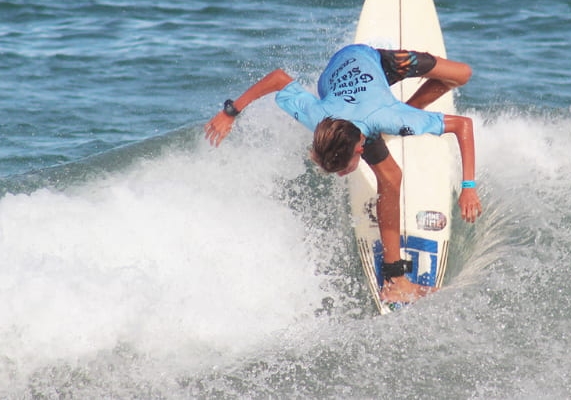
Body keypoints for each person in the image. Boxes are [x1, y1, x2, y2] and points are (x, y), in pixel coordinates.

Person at [204, 44, 481, 304]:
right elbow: (277, 79)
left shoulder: (389, 117)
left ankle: (412, 110)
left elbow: (463, 126)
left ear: (361, 146)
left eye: (343, 168)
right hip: (333, 78)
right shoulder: (319, 119)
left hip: (375, 62)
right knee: (392, 178)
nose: (339, 176)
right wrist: (231, 112)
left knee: (461, 75)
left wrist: (468, 186)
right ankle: (396, 280)